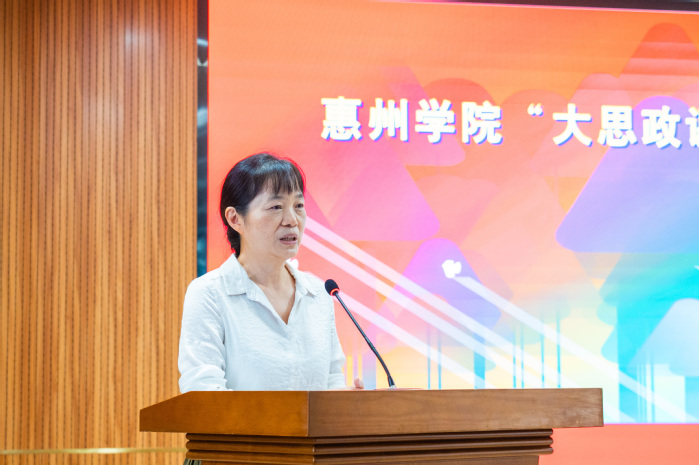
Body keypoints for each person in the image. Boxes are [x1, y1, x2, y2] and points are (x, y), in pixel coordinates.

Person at [178, 152, 363, 394]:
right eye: (276, 207)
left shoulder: (318, 293)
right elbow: (203, 393)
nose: (292, 220)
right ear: (235, 219)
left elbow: (330, 381)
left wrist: (346, 401)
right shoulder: (210, 294)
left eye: (298, 206)